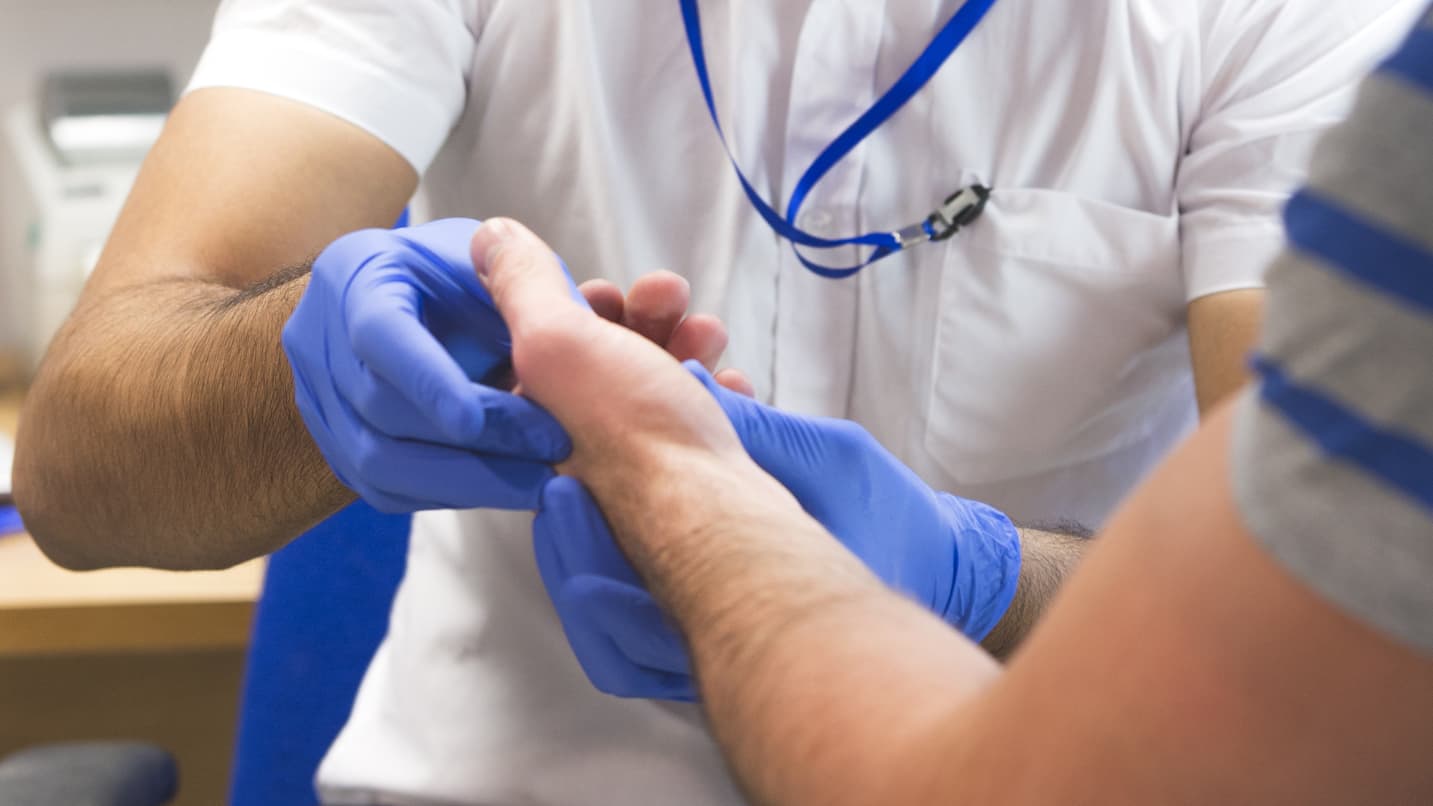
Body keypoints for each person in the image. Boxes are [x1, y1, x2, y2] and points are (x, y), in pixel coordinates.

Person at [10, 1, 1423, 803]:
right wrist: (303, 369)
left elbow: (1343, 646)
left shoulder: (1299, 24)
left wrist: (979, 576)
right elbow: (78, 466)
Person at [466, 11, 1433, 801]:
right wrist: (318, 314)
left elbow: (1277, 673)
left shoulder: (1335, 45)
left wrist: (688, 511)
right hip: (496, 770)